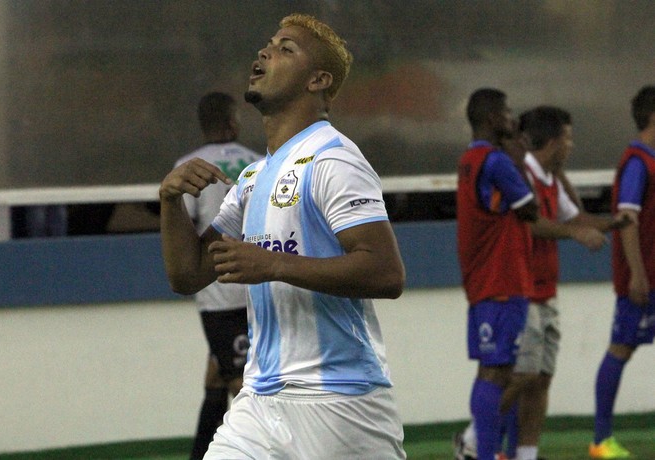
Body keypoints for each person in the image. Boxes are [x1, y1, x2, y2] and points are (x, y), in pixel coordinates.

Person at [159, 13, 407, 460]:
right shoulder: (254, 177)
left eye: (285, 49)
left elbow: (386, 273)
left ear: (318, 80)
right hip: (260, 398)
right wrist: (170, 202)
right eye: (269, 45)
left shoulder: (334, 159)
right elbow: (189, 274)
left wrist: (274, 264)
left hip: (339, 403)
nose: (265, 52)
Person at [456, 106, 631, 460]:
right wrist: (578, 233)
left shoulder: (548, 177)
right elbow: (532, 222)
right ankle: (474, 438)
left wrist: (611, 224)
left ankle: (525, 453)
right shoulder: (520, 173)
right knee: (520, 374)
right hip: (522, 288)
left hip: (545, 290)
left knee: (540, 379)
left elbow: (574, 215)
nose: (571, 145)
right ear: (552, 141)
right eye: (567, 138)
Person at [173, 91, 262, 460]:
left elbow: (185, 228)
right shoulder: (258, 163)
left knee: (240, 383)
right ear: (232, 122)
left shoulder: (188, 167)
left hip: (218, 295)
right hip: (257, 287)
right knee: (220, 374)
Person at [455, 88, 539, 460]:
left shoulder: (469, 159)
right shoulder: (497, 161)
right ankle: (483, 452)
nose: (512, 118)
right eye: (507, 112)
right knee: (498, 372)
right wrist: (519, 161)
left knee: (491, 371)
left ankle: (486, 450)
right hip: (502, 279)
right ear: (492, 119)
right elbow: (531, 209)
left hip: (482, 281)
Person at [590, 85, 655, 459]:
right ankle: (601, 440)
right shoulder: (637, 162)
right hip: (644, 278)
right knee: (621, 348)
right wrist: (637, 274)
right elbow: (628, 219)